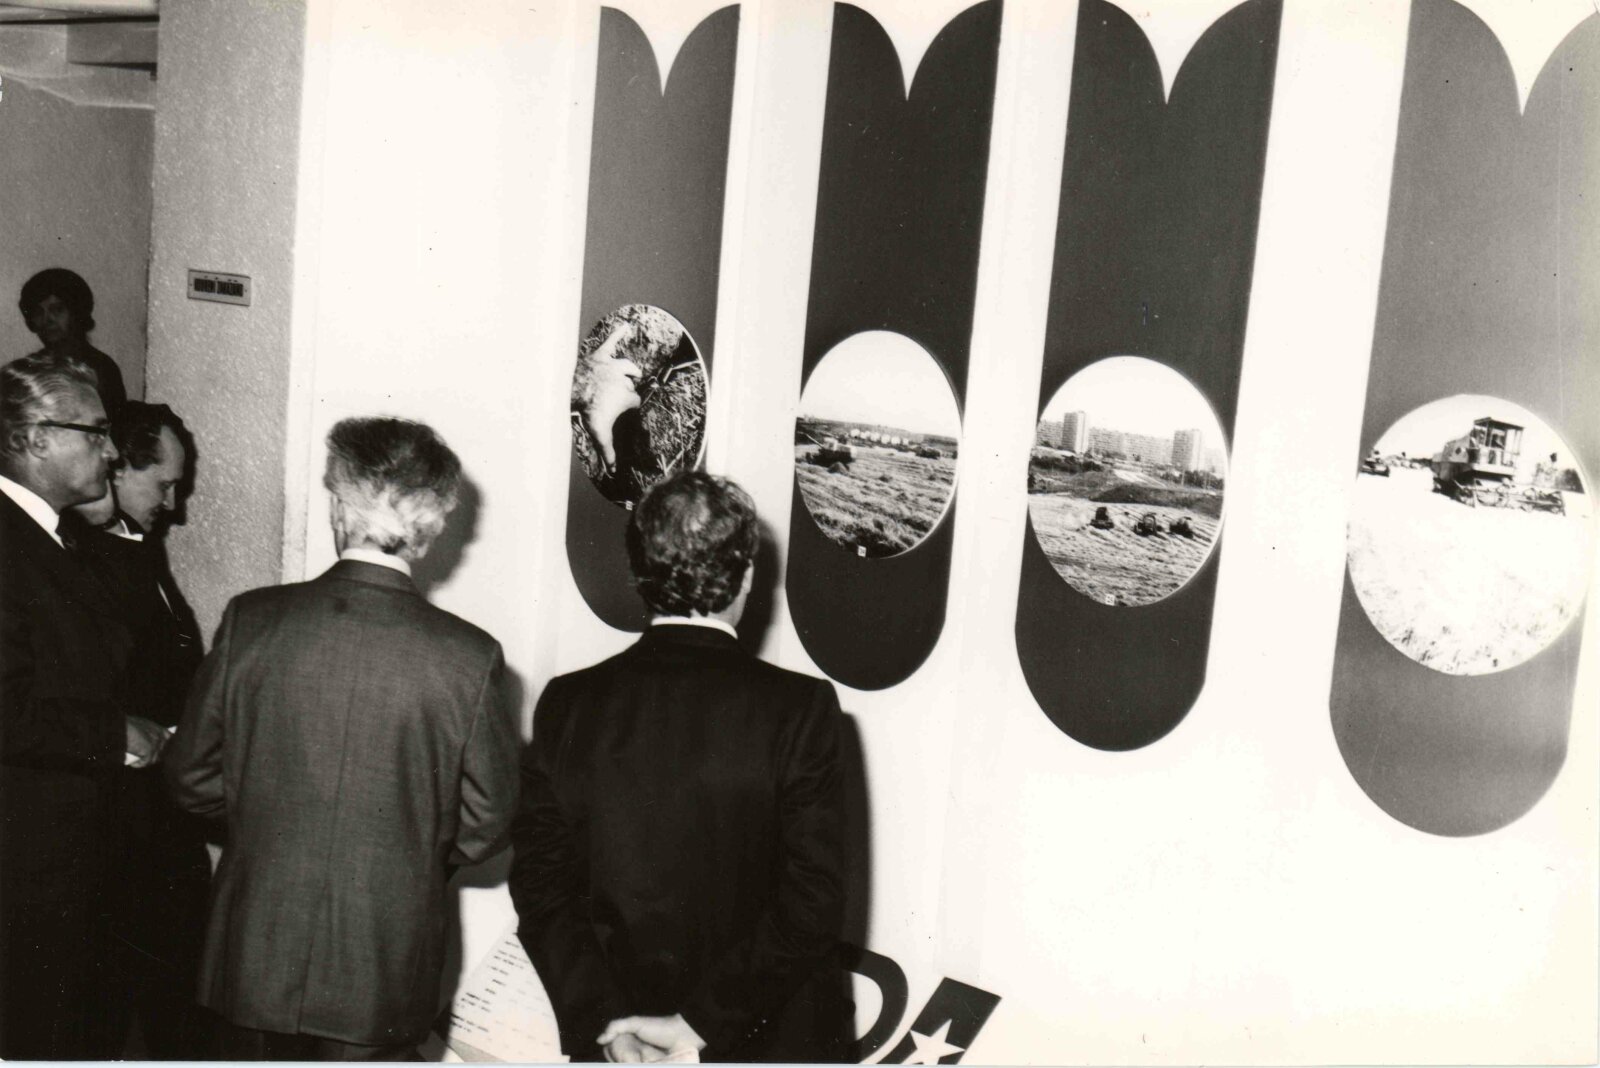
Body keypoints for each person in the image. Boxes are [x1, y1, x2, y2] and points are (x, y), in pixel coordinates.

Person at [163, 416, 520, 1061]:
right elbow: (487, 821)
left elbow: (190, 777)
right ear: (431, 526)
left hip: (253, 955)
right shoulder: (469, 657)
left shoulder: (252, 619)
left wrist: (263, 820)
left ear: (338, 508)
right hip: (382, 967)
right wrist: (411, 847)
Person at [510, 471, 850, 1063]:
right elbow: (813, 902)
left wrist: (607, 1020)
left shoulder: (568, 703)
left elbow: (540, 888)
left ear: (638, 571)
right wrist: (699, 1024)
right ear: (747, 577)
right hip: (758, 1040)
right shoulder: (802, 709)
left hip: (619, 1041)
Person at [0, 354, 166, 1059]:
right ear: (34, 439)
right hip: (27, 870)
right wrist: (115, 732)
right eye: (94, 432)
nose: (111, 450)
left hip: (64, 858)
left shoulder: (53, 535)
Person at [68, 402, 211, 1058]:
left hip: (161, 815)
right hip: (117, 826)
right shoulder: (77, 558)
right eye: (164, 485)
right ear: (116, 469)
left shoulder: (138, 546)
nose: (174, 505)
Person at [18, 267, 128, 413]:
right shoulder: (28, 370)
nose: (47, 319)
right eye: (38, 312)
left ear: (76, 313)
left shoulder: (101, 369)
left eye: (57, 310)